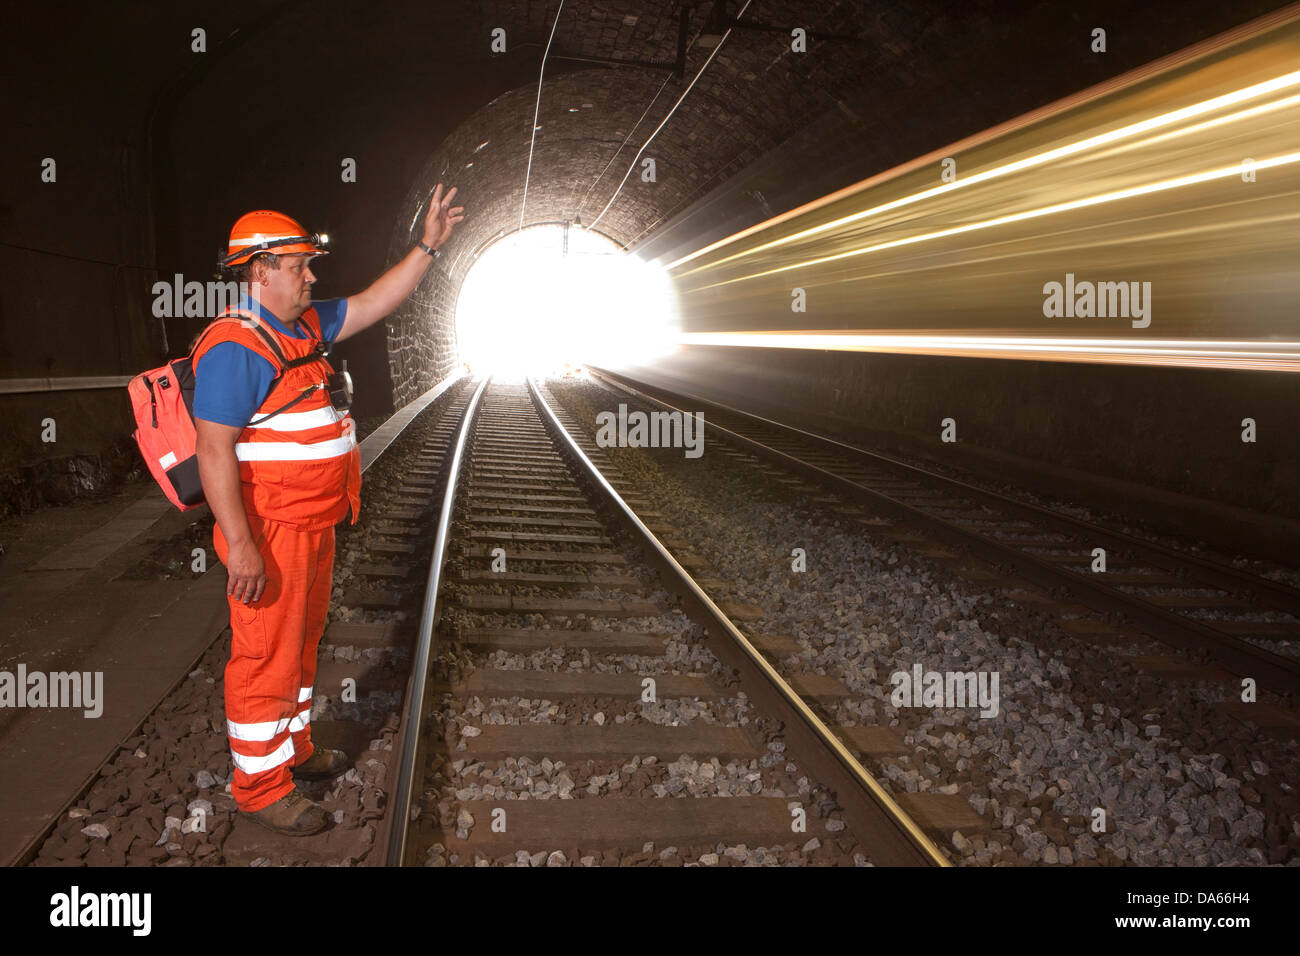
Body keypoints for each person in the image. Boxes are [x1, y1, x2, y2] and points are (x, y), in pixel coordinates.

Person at [193, 184, 465, 836]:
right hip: (271, 529)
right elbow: (212, 453)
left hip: (313, 522)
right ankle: (260, 788)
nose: (311, 275)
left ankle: (293, 750)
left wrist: (427, 246)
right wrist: (242, 543)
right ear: (259, 272)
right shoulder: (236, 347)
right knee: (265, 655)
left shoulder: (303, 325)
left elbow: (374, 302)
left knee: (301, 644)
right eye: (298, 266)